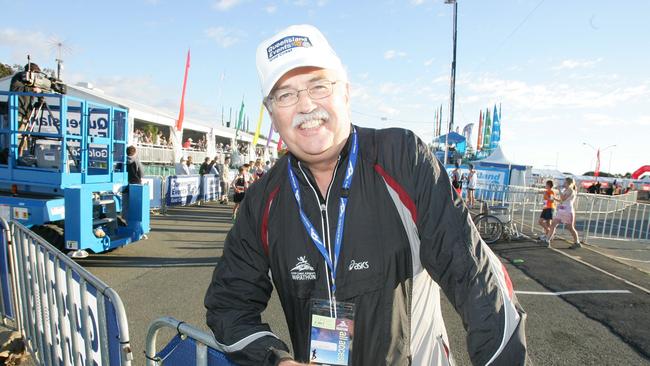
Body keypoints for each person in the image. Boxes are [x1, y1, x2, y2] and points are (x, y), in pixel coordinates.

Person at [204, 24, 527, 366]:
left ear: (345, 91)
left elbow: (475, 278)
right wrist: (277, 360)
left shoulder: (402, 157)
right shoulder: (262, 199)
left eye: (318, 85)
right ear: (271, 113)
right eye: (285, 95)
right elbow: (229, 305)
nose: (306, 105)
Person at [547, 177, 581, 249]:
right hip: (561, 211)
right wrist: (554, 198)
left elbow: (563, 198)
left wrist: (559, 190)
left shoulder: (571, 190)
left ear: (569, 183)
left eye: (565, 182)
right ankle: (547, 240)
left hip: (568, 211)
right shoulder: (565, 190)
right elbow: (561, 200)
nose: (563, 184)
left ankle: (577, 242)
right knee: (553, 224)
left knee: (570, 227)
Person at [538, 180, 555, 245]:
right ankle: (548, 233)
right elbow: (543, 194)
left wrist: (546, 196)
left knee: (548, 223)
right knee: (540, 221)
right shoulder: (546, 191)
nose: (545, 185)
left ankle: (549, 234)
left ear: (548, 185)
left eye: (546, 184)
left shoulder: (551, 192)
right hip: (545, 208)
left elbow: (552, 200)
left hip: (550, 208)